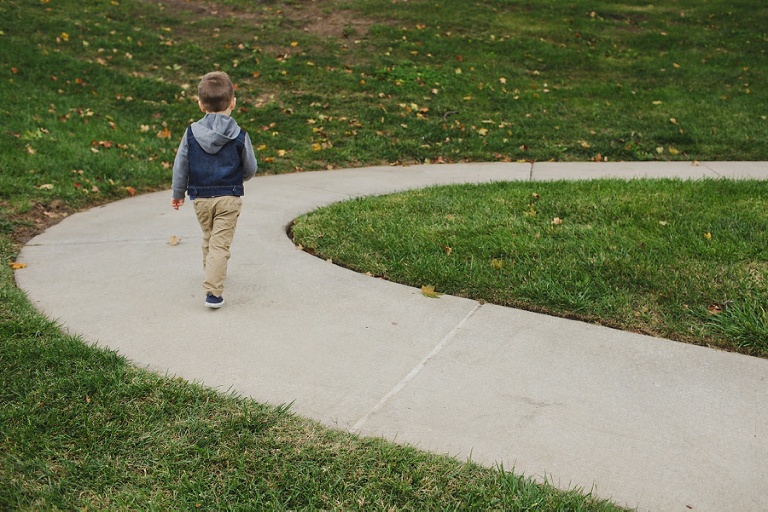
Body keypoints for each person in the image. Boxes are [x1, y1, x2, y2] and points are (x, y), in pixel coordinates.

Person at [171, 71, 258, 309]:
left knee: (210, 237)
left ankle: (211, 271)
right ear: (233, 102)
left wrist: (178, 193)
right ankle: (213, 292)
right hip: (228, 198)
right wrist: (238, 178)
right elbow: (250, 168)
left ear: (200, 105)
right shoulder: (240, 135)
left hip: (200, 198)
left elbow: (181, 166)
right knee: (220, 244)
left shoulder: (190, 133)